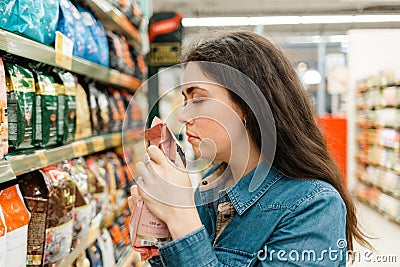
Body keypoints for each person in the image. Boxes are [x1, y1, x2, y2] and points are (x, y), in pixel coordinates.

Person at [129, 30, 370, 266]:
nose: (182, 116)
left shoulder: (314, 206)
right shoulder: (211, 186)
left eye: (198, 99)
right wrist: (161, 233)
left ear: (248, 105)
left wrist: (181, 219)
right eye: (184, 100)